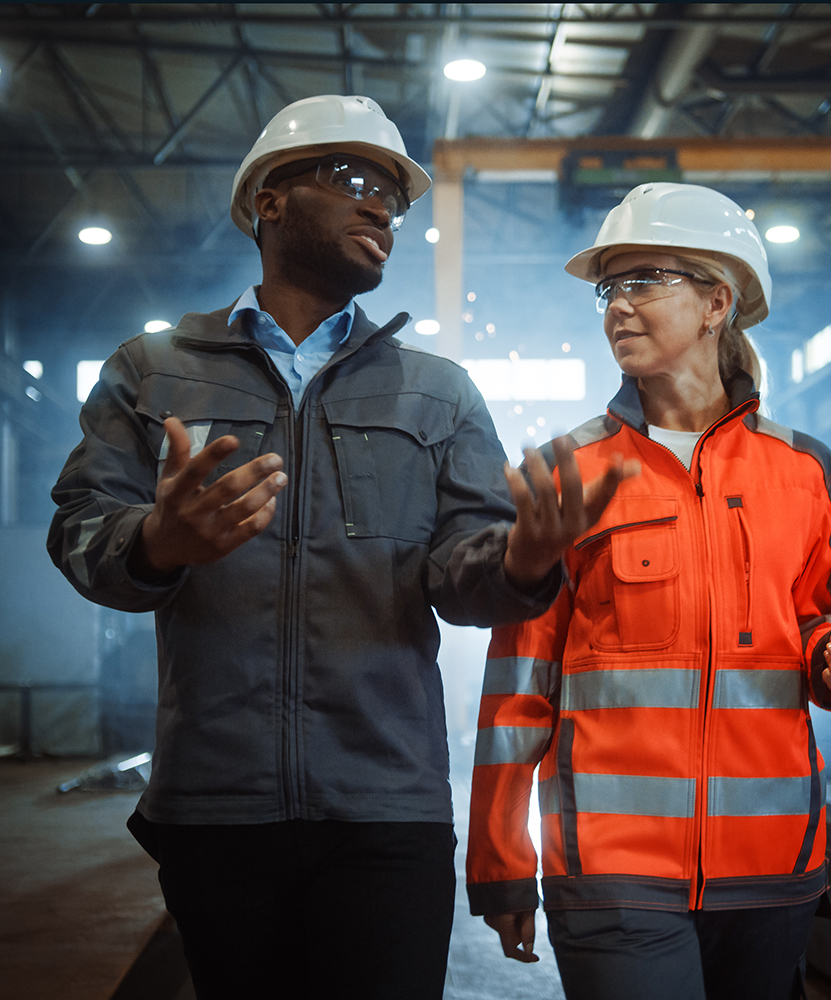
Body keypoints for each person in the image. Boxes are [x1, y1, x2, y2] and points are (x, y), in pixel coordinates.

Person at [47, 95, 634, 1000]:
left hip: (384, 808)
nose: (381, 213)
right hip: (215, 803)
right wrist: (156, 541)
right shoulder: (155, 368)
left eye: (394, 202)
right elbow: (82, 530)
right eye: (355, 181)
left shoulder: (435, 391)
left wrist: (524, 561)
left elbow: (461, 568)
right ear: (269, 201)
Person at [465, 182, 831, 1000]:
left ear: (715, 302)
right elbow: (518, 682)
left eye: (644, 279)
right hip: (613, 868)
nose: (617, 307)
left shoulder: (808, 472)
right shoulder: (569, 472)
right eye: (608, 288)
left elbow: (822, 619)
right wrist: (498, 862)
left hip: (774, 866)